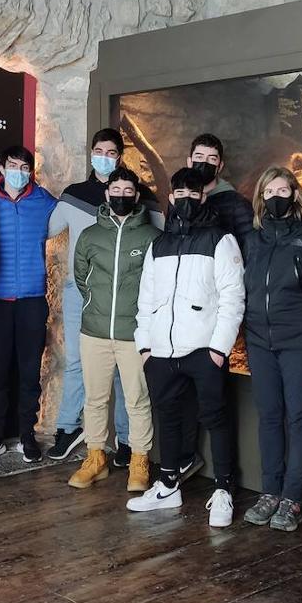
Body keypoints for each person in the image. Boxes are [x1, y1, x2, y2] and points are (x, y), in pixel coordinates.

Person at [128, 167, 245, 526]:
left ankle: (224, 489)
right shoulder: (158, 244)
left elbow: (233, 298)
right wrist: (145, 345)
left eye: (193, 193)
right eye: (180, 193)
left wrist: (218, 348)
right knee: (168, 416)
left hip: (203, 349)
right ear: (172, 196)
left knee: (216, 418)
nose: (186, 199)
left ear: (203, 197)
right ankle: (167, 484)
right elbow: (145, 299)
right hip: (161, 351)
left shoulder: (220, 239)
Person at [46, 129, 161, 465]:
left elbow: (160, 239)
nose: (104, 157)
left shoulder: (141, 196)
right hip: (79, 291)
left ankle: (126, 440)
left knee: (127, 371)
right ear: (92, 153)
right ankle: (70, 426)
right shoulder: (73, 195)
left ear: (119, 156)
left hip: (127, 297)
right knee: (77, 362)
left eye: (111, 152)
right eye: (99, 151)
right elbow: (47, 228)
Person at [239, 167, 302, 532]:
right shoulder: (253, 239)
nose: (276, 195)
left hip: (300, 341)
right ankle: (270, 491)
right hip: (260, 341)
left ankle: (293, 497)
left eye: (283, 189)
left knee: (299, 416)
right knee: (269, 416)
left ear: (295, 194)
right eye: (269, 189)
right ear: (261, 197)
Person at [66, 167, 159, 492]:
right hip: (94, 331)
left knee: (137, 399)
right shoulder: (91, 235)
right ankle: (96, 459)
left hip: (134, 334)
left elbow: (157, 284)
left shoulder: (149, 237)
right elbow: (81, 277)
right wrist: (95, 302)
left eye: (127, 191)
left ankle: (139, 461)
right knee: (95, 399)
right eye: (115, 190)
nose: (121, 196)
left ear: (135, 196)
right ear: (107, 194)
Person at [0, 145, 65, 464]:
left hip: (32, 300)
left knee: (29, 373)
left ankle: (27, 435)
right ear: (1, 168)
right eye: (12, 165)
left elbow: (74, 214)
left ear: (31, 171)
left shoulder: (44, 202)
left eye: (24, 167)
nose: (19, 171)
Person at [190, 133, 254, 242]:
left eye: (212, 159)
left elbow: (250, 246)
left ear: (220, 166)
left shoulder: (237, 204)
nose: (204, 163)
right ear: (189, 162)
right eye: (199, 157)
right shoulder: (181, 200)